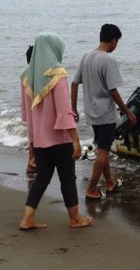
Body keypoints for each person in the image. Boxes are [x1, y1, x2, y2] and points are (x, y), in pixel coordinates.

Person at [19, 33, 92, 230]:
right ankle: (75, 218)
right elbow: (64, 111)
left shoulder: (26, 76)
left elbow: (27, 114)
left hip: (40, 140)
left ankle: (27, 218)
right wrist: (75, 139)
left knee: (42, 178)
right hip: (59, 139)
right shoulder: (58, 75)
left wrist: (33, 141)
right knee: (68, 178)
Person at [71, 24, 137, 200]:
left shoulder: (86, 57)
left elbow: (74, 83)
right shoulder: (108, 61)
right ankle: (91, 189)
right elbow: (113, 91)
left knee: (103, 148)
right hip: (105, 114)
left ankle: (110, 182)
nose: (116, 45)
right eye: (117, 42)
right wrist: (127, 112)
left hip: (91, 113)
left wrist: (73, 108)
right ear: (113, 40)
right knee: (103, 151)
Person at [24, 45, 37, 175]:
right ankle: (32, 164)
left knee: (33, 136)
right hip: (36, 109)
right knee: (36, 137)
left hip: (29, 109)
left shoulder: (24, 72)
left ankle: (32, 163)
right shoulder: (35, 73)